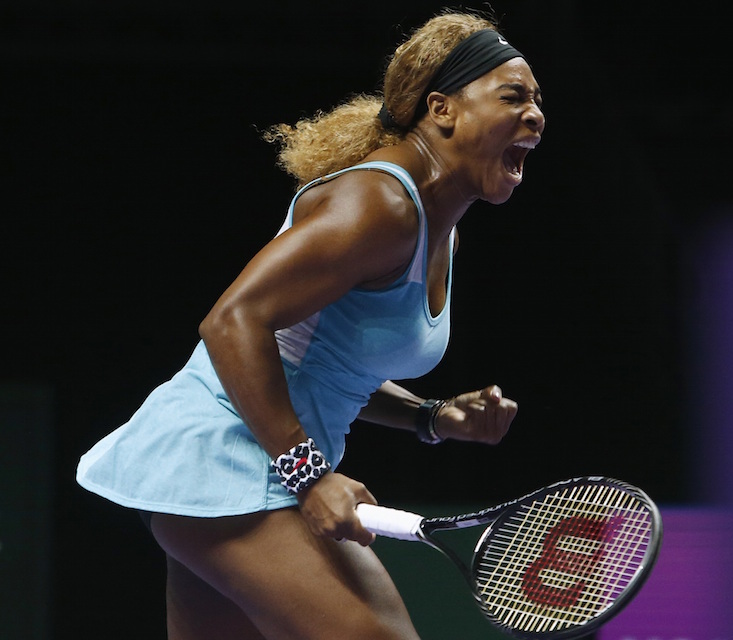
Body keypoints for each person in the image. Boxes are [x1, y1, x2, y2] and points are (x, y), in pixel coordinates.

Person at [77, 8, 544, 639]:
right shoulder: (380, 205)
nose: (536, 116)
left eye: (538, 101)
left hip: (249, 467)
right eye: (513, 96)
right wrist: (309, 474)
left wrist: (429, 417)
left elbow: (324, 363)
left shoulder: (441, 232)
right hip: (229, 460)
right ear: (442, 110)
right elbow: (233, 321)